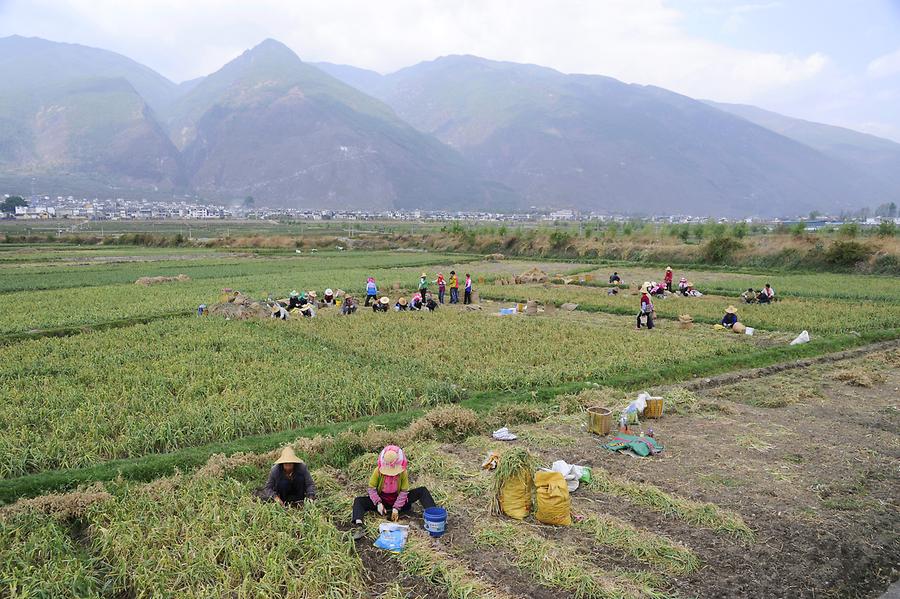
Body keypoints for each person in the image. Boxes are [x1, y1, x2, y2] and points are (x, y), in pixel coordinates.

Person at [350, 445, 436, 540]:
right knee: (358, 501)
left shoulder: (403, 472)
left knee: (422, 491)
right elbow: (371, 488)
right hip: (383, 502)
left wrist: (396, 508)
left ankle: (433, 516)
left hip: (399, 501)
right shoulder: (377, 471)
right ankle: (359, 526)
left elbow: (404, 492)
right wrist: (378, 503)